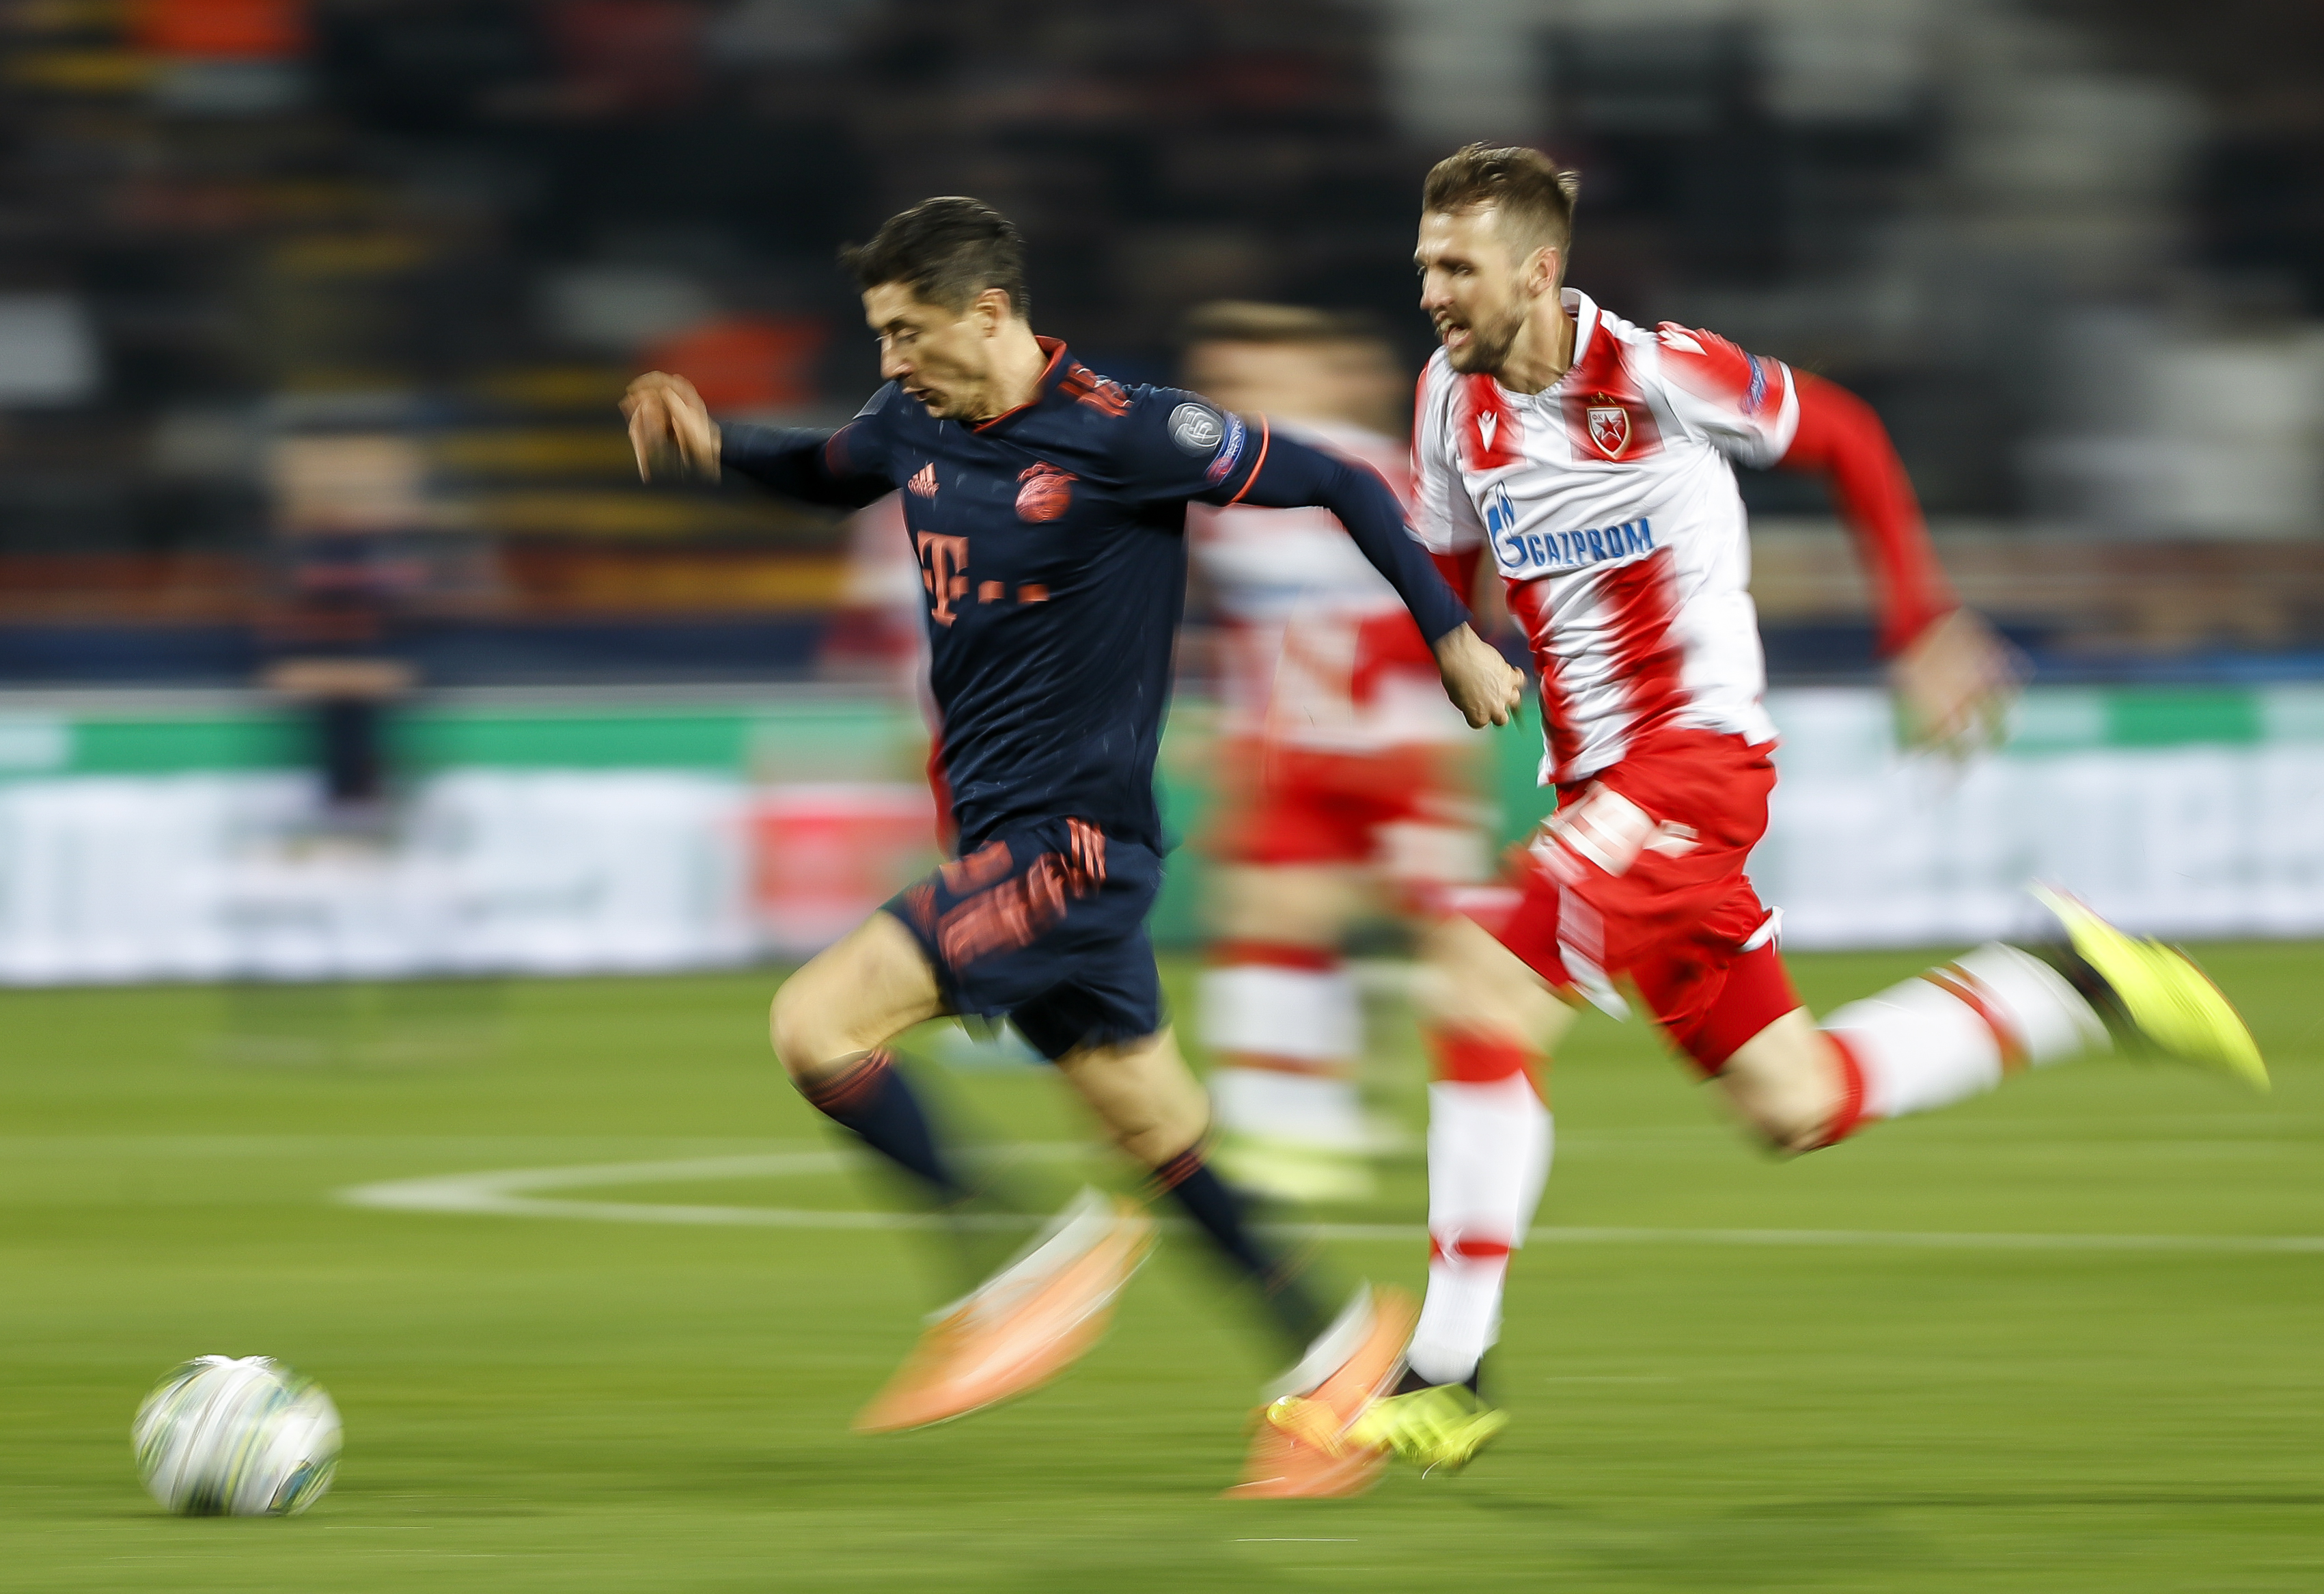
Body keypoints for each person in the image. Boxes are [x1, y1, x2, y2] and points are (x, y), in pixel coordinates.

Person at [1262, 144, 2269, 1475]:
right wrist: (1443, 644)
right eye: (1424, 264)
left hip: (1694, 766)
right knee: (1790, 1102)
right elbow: (1444, 553)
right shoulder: (1451, 397)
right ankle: (2068, 986)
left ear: (1538, 269)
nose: (1433, 288)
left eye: (1457, 265)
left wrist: (1919, 621)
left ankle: (1450, 1365)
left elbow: (1845, 432)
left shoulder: (1659, 373)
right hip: (1601, 789)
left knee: (1478, 985)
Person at [620, 196, 1525, 1498]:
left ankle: (1015, 1274)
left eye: (904, 330)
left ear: (987, 311)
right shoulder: (911, 424)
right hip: (1008, 843)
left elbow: (1332, 477)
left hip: (1073, 852)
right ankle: (1337, 1359)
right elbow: (827, 474)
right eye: (877, 334)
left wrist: (1447, 632)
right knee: (1157, 1130)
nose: (887, 359)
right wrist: (717, 449)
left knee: (816, 1023)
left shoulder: (1127, 432)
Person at [1180, 303, 1497, 1205]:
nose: (1234, 391)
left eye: (1254, 373)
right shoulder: (1235, 490)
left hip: (1394, 748)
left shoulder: (1369, 476)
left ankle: (1402, 1111)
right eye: (1225, 376)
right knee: (1275, 913)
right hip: (1310, 751)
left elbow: (1444, 609)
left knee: (1431, 936)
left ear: (1318, 376)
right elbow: (1250, 628)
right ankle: (1289, 1126)